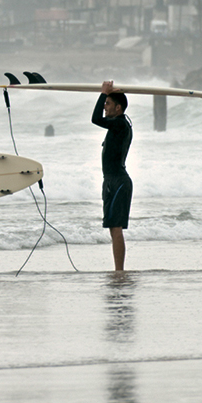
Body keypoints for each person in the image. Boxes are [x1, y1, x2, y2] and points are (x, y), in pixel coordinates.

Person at [91, 80, 133, 271]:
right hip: (111, 181)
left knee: (116, 228)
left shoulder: (121, 125)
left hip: (118, 182)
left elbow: (95, 119)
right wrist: (105, 95)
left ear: (118, 107)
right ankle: (119, 270)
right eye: (105, 104)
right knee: (112, 228)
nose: (105, 108)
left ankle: (119, 272)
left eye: (108, 104)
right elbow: (100, 119)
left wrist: (102, 94)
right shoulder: (117, 124)